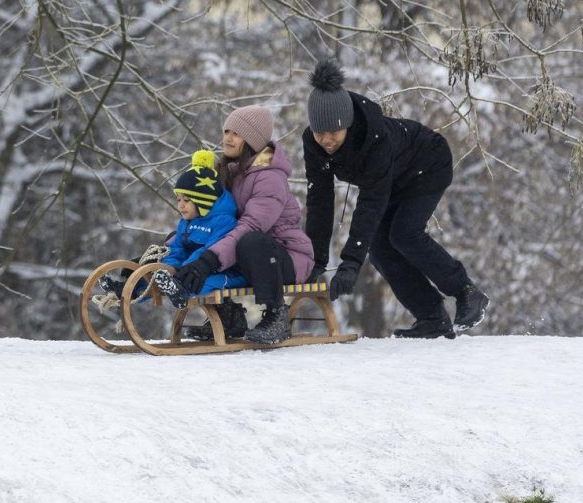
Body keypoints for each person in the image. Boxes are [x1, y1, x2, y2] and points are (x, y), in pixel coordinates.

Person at [302, 59, 490, 339]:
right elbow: (320, 200)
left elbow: (370, 203)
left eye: (334, 133)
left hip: (428, 163)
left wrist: (351, 262)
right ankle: (432, 318)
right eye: (320, 133)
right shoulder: (313, 144)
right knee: (378, 249)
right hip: (392, 181)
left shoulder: (374, 140)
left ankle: (467, 292)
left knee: (404, 234)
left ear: (349, 125)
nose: (327, 140)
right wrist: (314, 261)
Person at [174, 105, 315, 344]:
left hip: (285, 258)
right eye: (226, 130)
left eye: (236, 133)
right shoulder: (229, 172)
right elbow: (211, 221)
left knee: (250, 242)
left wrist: (207, 261)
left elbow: (251, 227)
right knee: (201, 234)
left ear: (252, 140)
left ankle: (276, 316)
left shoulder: (269, 177)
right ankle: (229, 317)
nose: (227, 137)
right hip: (246, 255)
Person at [97, 150, 245, 303]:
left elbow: (209, 251)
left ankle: (181, 293)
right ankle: (128, 289)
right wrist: (166, 268)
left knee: (202, 283)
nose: (180, 206)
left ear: (203, 201)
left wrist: (181, 271)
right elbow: (176, 249)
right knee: (157, 276)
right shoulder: (187, 222)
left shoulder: (224, 222)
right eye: (178, 199)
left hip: (225, 273)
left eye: (186, 200)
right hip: (189, 270)